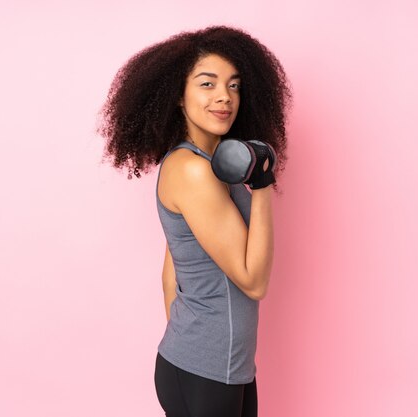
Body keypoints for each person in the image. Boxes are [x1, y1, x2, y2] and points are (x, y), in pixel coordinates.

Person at [97, 25, 292, 417]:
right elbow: (254, 281)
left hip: (209, 364)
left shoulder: (201, 164)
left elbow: (172, 271)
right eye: (207, 84)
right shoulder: (193, 172)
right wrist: (264, 183)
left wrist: (195, 343)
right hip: (208, 370)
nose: (224, 97)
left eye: (234, 86)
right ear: (179, 98)